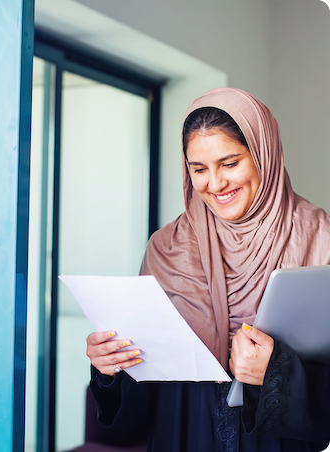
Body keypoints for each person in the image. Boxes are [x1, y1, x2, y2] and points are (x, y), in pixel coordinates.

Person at [85, 88, 330, 451]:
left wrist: (277, 374)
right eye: (199, 169)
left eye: (229, 163)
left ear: (264, 155)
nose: (214, 184)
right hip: (183, 434)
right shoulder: (165, 248)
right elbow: (141, 398)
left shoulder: (320, 239)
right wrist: (111, 368)